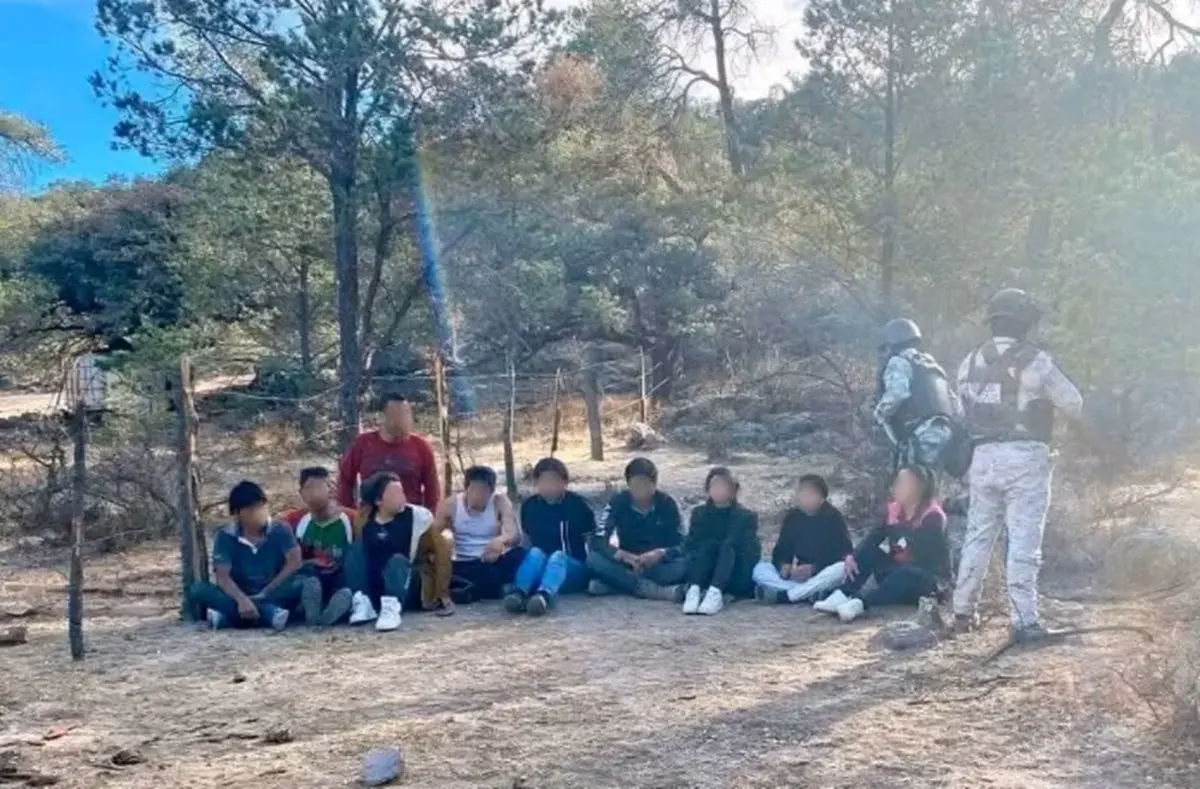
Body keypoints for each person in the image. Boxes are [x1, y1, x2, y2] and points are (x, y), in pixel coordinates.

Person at [952, 288, 1084, 642]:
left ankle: (963, 612)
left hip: (982, 459)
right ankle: (1025, 622)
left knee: (977, 536)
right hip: (1025, 457)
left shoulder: (969, 362)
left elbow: (961, 411)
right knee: (1024, 541)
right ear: (1025, 321)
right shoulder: (1036, 360)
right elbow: (1073, 402)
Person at [814, 465, 950, 623]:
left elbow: (923, 558)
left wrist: (896, 540)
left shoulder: (932, 516)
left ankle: (860, 603)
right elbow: (874, 537)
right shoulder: (893, 510)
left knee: (907, 572)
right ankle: (843, 594)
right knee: (873, 551)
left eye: (903, 483)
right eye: (897, 482)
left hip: (926, 581)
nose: (896, 488)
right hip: (897, 574)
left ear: (919, 487)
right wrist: (854, 557)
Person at [188, 481, 304, 631]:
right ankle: (268, 614)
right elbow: (223, 577)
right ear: (237, 513)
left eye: (260, 506)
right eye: (250, 508)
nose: (257, 512)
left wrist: (266, 591)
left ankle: (226, 618)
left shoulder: (281, 529)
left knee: (302, 582)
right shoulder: (225, 536)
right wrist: (242, 600)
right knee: (198, 589)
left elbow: (294, 562)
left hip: (274, 590)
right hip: (238, 594)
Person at [344, 472, 445, 631]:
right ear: (378, 501)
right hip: (374, 581)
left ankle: (392, 607)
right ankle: (363, 602)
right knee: (353, 550)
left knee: (397, 560)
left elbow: (441, 553)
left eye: (401, 491)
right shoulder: (364, 520)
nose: (401, 497)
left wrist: (441, 593)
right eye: (394, 493)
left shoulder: (418, 517)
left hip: (405, 584)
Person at [586, 457, 687, 602]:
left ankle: (617, 585)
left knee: (687, 564)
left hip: (659, 564)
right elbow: (598, 539)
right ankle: (653, 590)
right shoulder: (618, 502)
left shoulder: (667, 504)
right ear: (628, 485)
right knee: (593, 559)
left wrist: (661, 553)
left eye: (645, 484)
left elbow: (684, 542)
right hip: (628, 563)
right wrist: (621, 554)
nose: (641, 490)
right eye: (636, 485)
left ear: (654, 484)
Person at [505, 458, 595, 617]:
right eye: (544, 481)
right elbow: (527, 542)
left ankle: (543, 596)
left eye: (555, 481)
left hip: (571, 569)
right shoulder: (530, 506)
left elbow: (591, 544)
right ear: (536, 483)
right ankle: (519, 593)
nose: (549, 486)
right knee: (535, 553)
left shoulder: (579, 505)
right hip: (542, 567)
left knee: (558, 556)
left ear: (564, 482)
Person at [874, 318, 965, 473]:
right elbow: (956, 405)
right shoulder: (931, 364)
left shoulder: (899, 362)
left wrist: (879, 413)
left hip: (920, 433)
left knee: (913, 481)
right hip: (947, 432)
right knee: (935, 482)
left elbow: (898, 393)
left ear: (892, 342)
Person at [752, 474, 853, 604]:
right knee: (761, 568)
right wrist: (784, 567)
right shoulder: (793, 517)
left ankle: (787, 595)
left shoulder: (833, 517)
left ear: (822, 497)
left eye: (810, 494)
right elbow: (781, 550)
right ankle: (809, 594)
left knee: (841, 569)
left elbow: (845, 553)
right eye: (802, 493)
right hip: (798, 575)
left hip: (822, 573)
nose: (804, 498)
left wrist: (814, 568)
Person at [278, 467, 356, 627]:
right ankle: (314, 612)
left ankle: (336, 607)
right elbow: (286, 560)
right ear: (301, 493)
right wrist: (310, 562)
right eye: (309, 488)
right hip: (310, 575)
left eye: (320, 487)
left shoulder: (350, 518)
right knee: (308, 580)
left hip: (340, 575)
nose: (315, 493)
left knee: (347, 581)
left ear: (331, 489)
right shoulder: (293, 521)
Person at [435, 465, 525, 601]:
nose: (478, 495)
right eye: (474, 490)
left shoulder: (500, 502)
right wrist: (442, 550)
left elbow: (513, 534)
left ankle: (470, 590)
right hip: (464, 562)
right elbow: (432, 535)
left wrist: (500, 541)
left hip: (491, 560)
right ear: (466, 489)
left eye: (483, 491)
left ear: (491, 491)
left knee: (520, 554)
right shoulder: (450, 505)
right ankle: (481, 590)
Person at [338, 393, 440, 511]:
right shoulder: (363, 443)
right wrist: (350, 513)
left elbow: (432, 490)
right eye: (396, 416)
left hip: (410, 518)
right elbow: (344, 479)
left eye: (406, 415)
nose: (403, 421)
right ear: (382, 417)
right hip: (371, 518)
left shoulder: (421, 447)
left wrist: (429, 518)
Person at [682, 467, 762, 616]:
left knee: (726, 548)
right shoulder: (699, 514)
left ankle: (715, 593)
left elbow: (751, 551)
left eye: (723, 486)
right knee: (708, 546)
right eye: (714, 485)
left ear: (733, 491)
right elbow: (691, 544)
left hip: (734, 572)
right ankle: (694, 590)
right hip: (704, 569)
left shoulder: (746, 517)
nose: (718, 490)